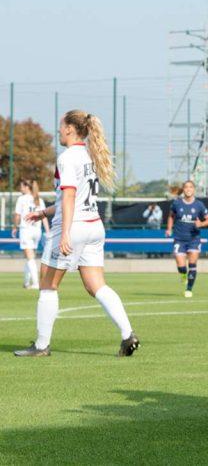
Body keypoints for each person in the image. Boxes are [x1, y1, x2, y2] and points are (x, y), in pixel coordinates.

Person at [14, 110, 139, 358]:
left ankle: (41, 346)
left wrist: (65, 233)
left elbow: (70, 195)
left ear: (70, 128)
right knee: (97, 286)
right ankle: (128, 335)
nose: (58, 131)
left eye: (61, 126)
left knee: (48, 286)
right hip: (94, 225)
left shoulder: (67, 157)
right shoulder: (89, 155)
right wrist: (45, 212)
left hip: (74, 226)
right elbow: (70, 197)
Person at [166, 181, 208, 298]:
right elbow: (171, 216)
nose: (188, 189)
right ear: (183, 189)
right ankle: (183, 275)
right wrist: (169, 229)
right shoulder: (177, 203)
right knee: (181, 266)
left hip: (193, 239)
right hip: (179, 238)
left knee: (192, 264)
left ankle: (189, 289)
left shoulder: (199, 205)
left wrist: (201, 224)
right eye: (186, 187)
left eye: (191, 187)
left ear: (194, 189)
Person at [13, 180, 48, 289]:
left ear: (27, 187)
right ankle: (26, 282)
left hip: (26, 230)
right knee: (29, 257)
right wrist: (47, 231)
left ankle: (36, 283)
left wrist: (14, 227)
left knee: (30, 258)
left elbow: (17, 215)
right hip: (36, 231)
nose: (20, 188)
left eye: (21, 186)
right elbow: (44, 216)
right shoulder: (39, 199)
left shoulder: (22, 199)